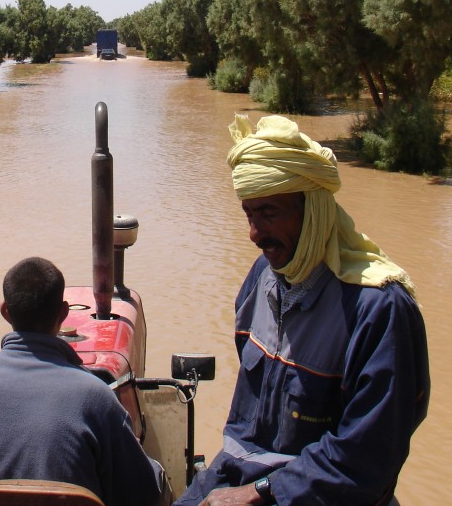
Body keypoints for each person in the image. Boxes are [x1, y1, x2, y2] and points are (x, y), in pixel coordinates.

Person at [176, 115, 430, 506]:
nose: (255, 234)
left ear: (313, 209)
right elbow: (247, 426)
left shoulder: (380, 310)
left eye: (269, 213)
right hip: (236, 475)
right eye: (249, 214)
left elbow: (366, 459)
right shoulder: (262, 277)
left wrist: (261, 492)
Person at [0, 256, 167, 506]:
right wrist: (156, 469)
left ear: (5, 311)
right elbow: (144, 493)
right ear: (64, 313)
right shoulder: (95, 395)